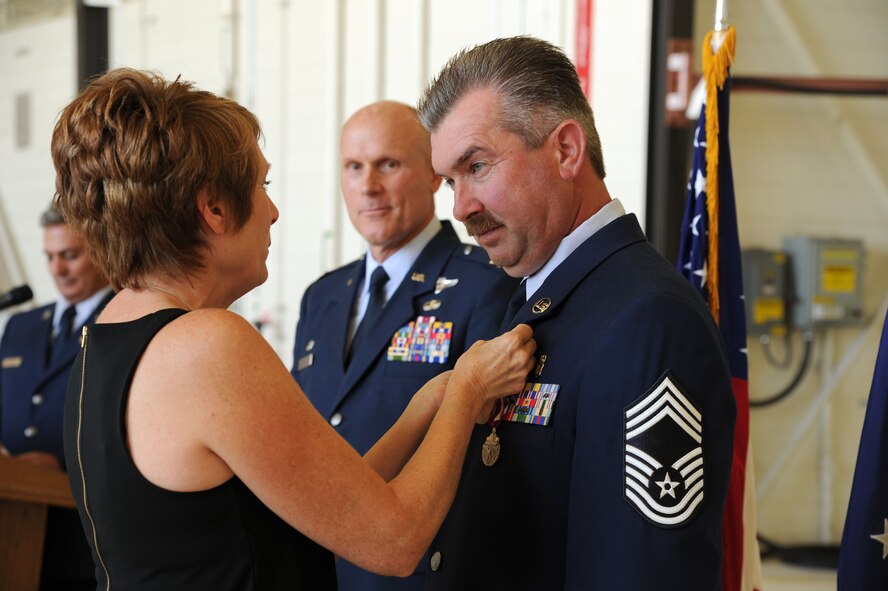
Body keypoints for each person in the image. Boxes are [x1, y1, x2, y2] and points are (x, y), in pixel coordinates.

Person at [50, 68, 535, 590]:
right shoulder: (208, 344)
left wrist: (423, 410)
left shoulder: (105, 333)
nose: (275, 212)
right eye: (262, 185)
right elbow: (395, 540)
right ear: (213, 208)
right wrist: (468, 388)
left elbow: (317, 498)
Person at [417, 36, 737, 590]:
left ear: (567, 151)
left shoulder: (649, 322)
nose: (461, 207)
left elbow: (641, 571)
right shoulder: (531, 299)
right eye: (451, 180)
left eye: (478, 166)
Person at [292, 100, 518, 591]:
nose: (368, 186)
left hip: (421, 573)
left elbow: (489, 455)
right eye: (354, 167)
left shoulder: (484, 284)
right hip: (323, 569)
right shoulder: (321, 297)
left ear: (435, 175)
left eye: (388, 165)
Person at [0, 206, 111, 590]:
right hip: (11, 517)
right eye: (49, 257)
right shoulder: (21, 325)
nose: (57, 269)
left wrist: (61, 463)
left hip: (82, 530)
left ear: (100, 248)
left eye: (70, 255)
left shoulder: (121, 322)